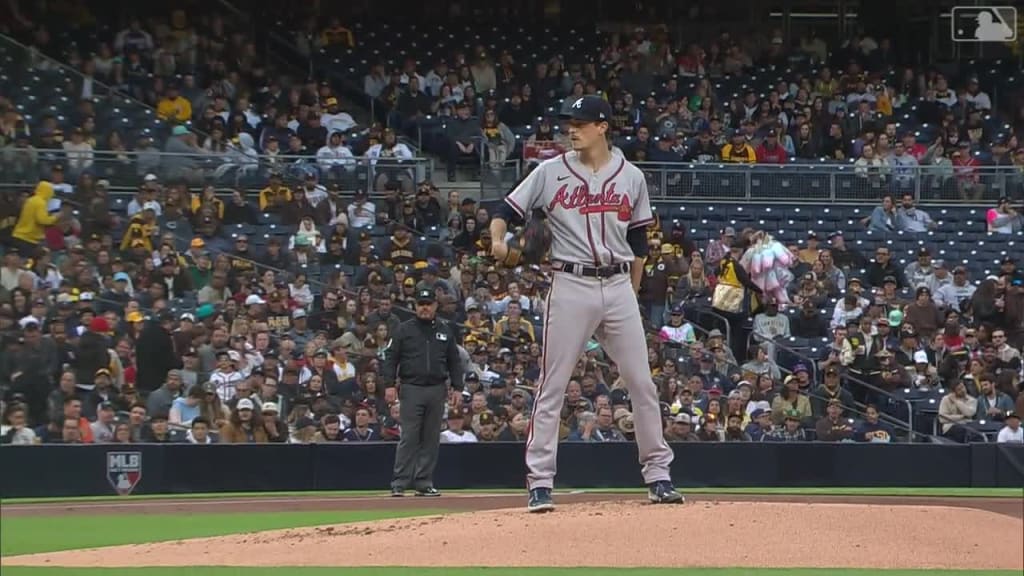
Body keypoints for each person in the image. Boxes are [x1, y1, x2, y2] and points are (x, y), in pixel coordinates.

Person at [490, 95, 682, 513]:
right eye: (568, 123)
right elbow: (504, 209)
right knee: (552, 385)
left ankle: (659, 476)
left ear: (602, 126)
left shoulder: (630, 177)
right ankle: (540, 483)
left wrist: (631, 290)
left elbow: (637, 242)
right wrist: (496, 239)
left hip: (616, 286)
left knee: (642, 384)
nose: (571, 130)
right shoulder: (550, 172)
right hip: (570, 282)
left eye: (580, 123)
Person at [381, 288, 464, 497]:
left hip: (437, 389)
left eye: (428, 303)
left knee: (431, 438)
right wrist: (390, 385)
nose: (425, 307)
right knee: (409, 436)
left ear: (436, 306)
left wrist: (458, 387)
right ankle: (399, 482)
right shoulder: (403, 329)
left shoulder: (445, 330)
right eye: (421, 304)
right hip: (411, 388)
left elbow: (455, 361)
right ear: (415, 306)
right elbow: (390, 358)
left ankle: (424, 482)